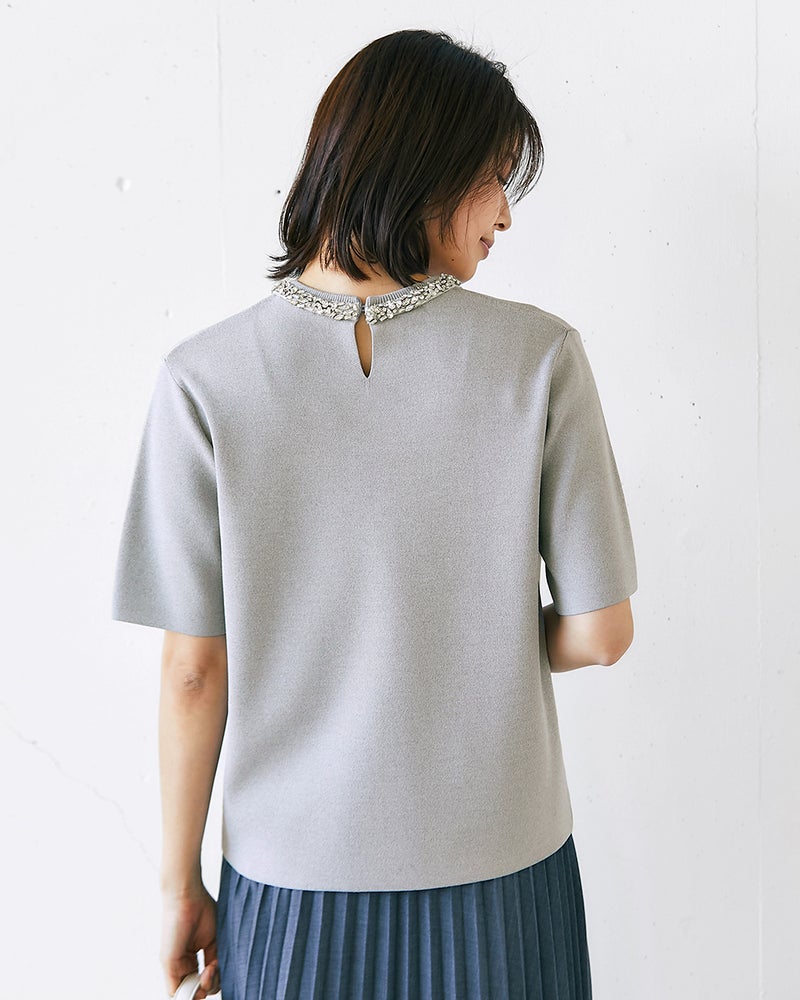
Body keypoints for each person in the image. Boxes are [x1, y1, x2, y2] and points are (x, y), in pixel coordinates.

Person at [111, 28, 638, 1000]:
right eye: (495, 179)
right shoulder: (540, 358)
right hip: (503, 871)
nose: (505, 216)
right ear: (425, 168)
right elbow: (602, 633)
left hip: (290, 882)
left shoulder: (203, 380)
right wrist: (476, 642)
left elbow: (193, 671)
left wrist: (179, 886)